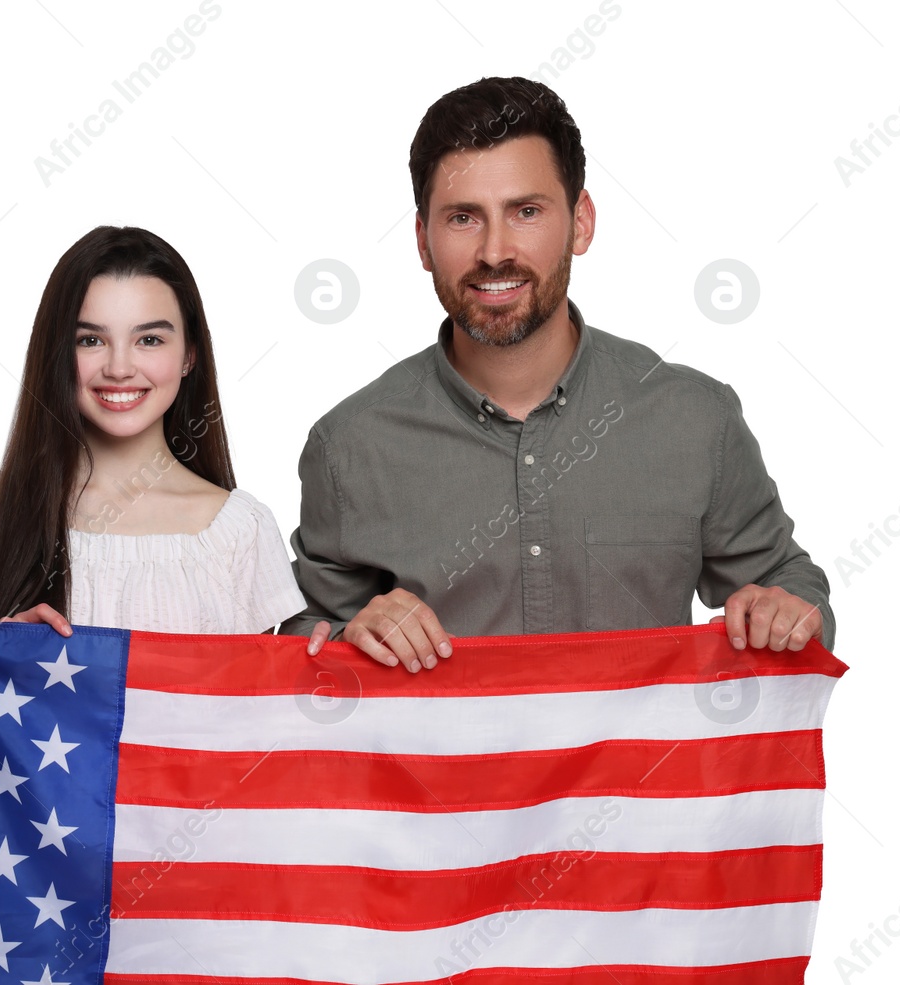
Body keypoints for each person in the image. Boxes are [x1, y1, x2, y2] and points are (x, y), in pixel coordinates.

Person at [284, 77, 834, 670]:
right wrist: (343, 636)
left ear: (580, 222)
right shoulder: (348, 446)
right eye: (464, 218)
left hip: (642, 766)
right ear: (422, 241)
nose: (495, 252)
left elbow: (786, 580)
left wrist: (788, 610)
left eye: (526, 211)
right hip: (445, 767)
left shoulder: (697, 418)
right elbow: (299, 637)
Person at [0, 225, 304, 635]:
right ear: (58, 352)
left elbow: (262, 694)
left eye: (149, 339)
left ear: (189, 356)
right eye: (90, 340)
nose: (119, 369)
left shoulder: (241, 531)